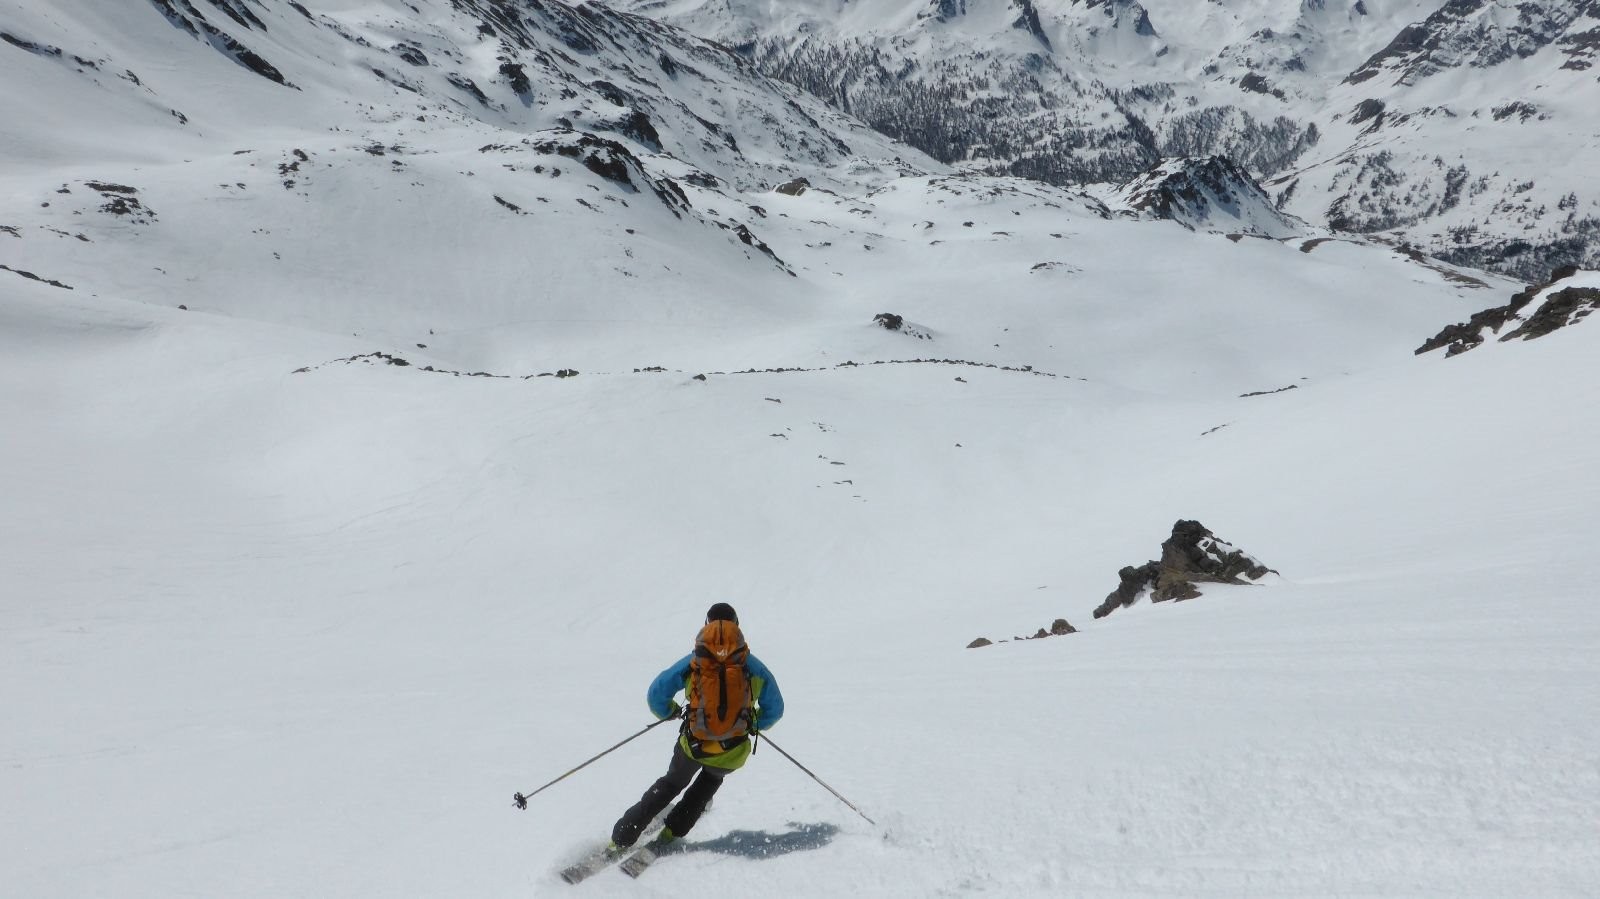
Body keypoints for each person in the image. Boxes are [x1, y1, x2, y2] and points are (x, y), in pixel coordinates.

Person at [609, 602, 784, 849]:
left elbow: (656, 694)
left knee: (670, 784)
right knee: (704, 789)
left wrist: (670, 711)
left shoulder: (695, 661)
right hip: (731, 751)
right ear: (737, 627)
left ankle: (622, 838)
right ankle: (671, 834)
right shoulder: (754, 667)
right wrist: (753, 723)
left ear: (706, 626)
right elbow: (775, 710)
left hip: (693, 745)